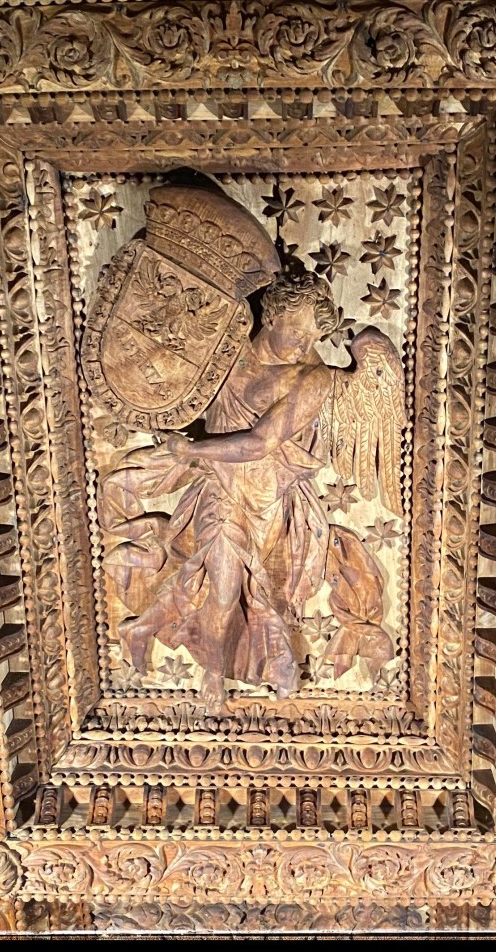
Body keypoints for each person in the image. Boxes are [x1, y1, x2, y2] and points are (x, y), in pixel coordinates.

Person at [100, 267, 394, 711]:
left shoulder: (313, 379)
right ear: (271, 317)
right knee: (222, 582)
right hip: (220, 487)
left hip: (267, 497)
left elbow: (259, 443)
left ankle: (144, 631)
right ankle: (212, 670)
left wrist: (192, 450)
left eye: (312, 338)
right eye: (297, 332)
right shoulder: (227, 346)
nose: (303, 346)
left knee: (241, 585)